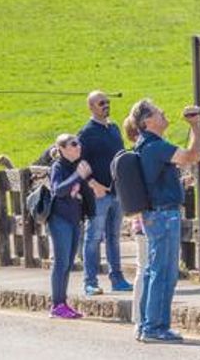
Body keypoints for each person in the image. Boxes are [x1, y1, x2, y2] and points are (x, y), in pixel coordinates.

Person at [131, 98, 200, 343]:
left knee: (154, 271)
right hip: (163, 214)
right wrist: (195, 126)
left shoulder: (144, 145)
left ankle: (146, 325)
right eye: (158, 112)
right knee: (164, 272)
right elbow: (192, 156)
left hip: (154, 214)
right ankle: (155, 327)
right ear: (147, 121)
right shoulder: (156, 146)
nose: (163, 114)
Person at [77, 91, 131, 296]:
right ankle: (89, 282)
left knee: (113, 237)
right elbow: (78, 163)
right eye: (101, 103)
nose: (106, 105)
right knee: (93, 238)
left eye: (107, 102)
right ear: (91, 106)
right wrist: (92, 184)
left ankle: (117, 278)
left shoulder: (115, 129)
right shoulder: (86, 133)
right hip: (98, 194)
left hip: (117, 192)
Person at [46, 133, 93, 319]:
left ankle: (62, 302)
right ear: (62, 149)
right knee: (61, 262)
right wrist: (77, 176)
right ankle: (57, 304)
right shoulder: (58, 166)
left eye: (79, 144)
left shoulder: (76, 165)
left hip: (74, 219)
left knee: (68, 264)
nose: (78, 147)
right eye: (73, 144)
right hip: (60, 220)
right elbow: (58, 189)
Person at [122, 116, 148, 335]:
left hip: (142, 221)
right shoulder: (137, 156)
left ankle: (141, 317)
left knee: (146, 269)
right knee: (145, 269)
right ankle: (140, 318)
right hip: (144, 222)